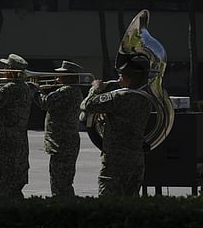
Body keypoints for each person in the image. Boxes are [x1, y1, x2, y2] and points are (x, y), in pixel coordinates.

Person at [80, 57, 151, 196]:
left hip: (115, 160)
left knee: (108, 203)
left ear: (128, 80)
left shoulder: (118, 97)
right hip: (136, 160)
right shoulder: (146, 100)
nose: (118, 80)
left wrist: (95, 89)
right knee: (130, 203)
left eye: (121, 76)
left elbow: (86, 106)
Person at [0, 53, 33, 199]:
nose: (3, 70)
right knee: (14, 190)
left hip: (5, 144)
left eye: (5, 67)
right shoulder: (26, 88)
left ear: (11, 70)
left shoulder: (9, 88)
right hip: (21, 145)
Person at [33, 60, 83, 196]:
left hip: (61, 142)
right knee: (63, 180)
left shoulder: (66, 91)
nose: (57, 77)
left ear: (69, 76)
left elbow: (45, 103)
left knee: (59, 182)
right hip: (67, 140)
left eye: (61, 75)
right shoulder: (74, 91)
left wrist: (36, 90)